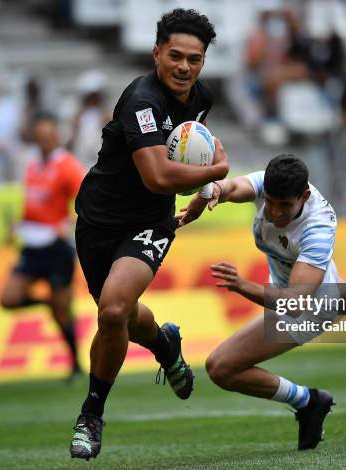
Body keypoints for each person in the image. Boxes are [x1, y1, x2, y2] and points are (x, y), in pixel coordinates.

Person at [178, 154, 346, 450]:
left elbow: (296, 303)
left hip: (309, 305)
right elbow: (232, 187)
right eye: (270, 202)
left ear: (304, 196)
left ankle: (308, 401)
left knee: (221, 367)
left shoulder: (318, 229)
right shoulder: (273, 183)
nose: (274, 212)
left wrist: (242, 285)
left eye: (284, 205)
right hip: (306, 281)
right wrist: (213, 192)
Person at [69, 9, 229, 461]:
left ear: (203, 62)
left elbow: (168, 173)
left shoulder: (202, 98)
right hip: (98, 221)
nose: (184, 67)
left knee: (114, 307)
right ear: (157, 53)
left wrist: (206, 184)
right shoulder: (141, 99)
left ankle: (91, 414)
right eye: (175, 56)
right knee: (118, 315)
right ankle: (164, 343)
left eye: (194, 59)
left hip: (152, 222)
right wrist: (215, 171)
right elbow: (158, 174)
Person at [0, 112, 86, 381]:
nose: (44, 142)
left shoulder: (68, 166)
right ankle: (47, 301)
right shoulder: (32, 164)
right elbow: (33, 204)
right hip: (33, 245)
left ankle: (76, 366)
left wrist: (68, 224)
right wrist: (18, 224)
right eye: (40, 138)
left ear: (56, 137)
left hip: (57, 248)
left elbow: (88, 202)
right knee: (8, 299)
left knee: (63, 312)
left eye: (48, 137)